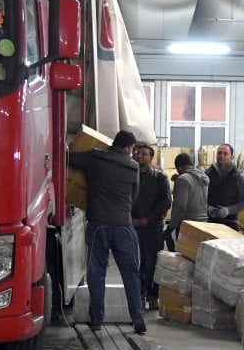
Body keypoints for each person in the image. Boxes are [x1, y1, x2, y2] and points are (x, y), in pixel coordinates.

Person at [68, 130, 147, 334]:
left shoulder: (95, 157)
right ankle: (137, 317)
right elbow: (135, 196)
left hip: (98, 225)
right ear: (129, 148)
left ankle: (97, 319)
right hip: (123, 226)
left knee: (97, 272)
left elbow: (70, 157)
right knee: (130, 273)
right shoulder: (133, 166)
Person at [132, 144, 171, 311]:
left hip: (153, 226)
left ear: (151, 158)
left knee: (153, 262)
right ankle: (138, 295)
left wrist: (147, 219)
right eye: (137, 153)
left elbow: (166, 202)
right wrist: (131, 219)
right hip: (132, 225)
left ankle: (153, 295)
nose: (139, 156)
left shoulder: (160, 177)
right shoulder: (129, 175)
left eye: (144, 154)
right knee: (134, 263)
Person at [162, 153, 209, 246]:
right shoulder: (203, 177)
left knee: (183, 258)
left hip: (187, 226)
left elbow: (180, 207)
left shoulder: (183, 179)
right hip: (203, 224)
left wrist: (170, 228)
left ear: (178, 167)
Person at [205, 144, 244, 231]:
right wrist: (207, 208)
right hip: (210, 223)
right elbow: (200, 196)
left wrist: (228, 210)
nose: (221, 155)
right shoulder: (207, 174)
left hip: (230, 223)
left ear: (232, 157)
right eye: (219, 153)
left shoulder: (239, 177)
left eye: (225, 153)